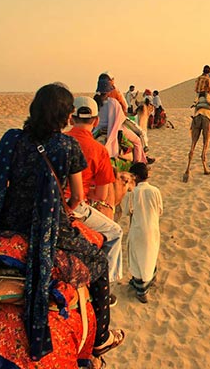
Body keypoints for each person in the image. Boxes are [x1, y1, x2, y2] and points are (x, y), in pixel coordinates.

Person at [0, 83, 124, 367]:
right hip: (51, 230)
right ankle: (101, 337)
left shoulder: (11, 139)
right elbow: (79, 196)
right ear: (65, 116)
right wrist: (66, 213)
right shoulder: (67, 146)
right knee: (98, 263)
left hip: (6, 225)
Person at [66, 96, 124, 292]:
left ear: (71, 119)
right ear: (96, 121)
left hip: (50, 200)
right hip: (75, 204)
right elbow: (100, 195)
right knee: (115, 232)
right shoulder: (99, 150)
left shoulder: (59, 141)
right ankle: (106, 286)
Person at [124, 163, 163, 303]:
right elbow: (160, 211)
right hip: (153, 229)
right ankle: (150, 280)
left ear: (135, 177)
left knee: (136, 258)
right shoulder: (155, 191)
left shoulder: (132, 193)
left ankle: (141, 291)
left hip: (138, 230)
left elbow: (126, 211)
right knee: (150, 254)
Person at [93, 75, 150, 164]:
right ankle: (138, 163)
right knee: (138, 141)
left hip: (97, 130)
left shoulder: (94, 102)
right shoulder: (113, 102)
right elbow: (121, 116)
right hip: (116, 127)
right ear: (109, 89)